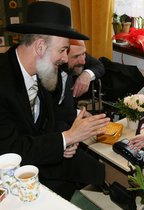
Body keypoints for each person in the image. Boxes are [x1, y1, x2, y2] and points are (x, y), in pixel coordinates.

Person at [0, 1, 110, 200]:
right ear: (40, 46)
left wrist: (68, 140)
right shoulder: (3, 81)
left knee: (94, 170)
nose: (66, 60)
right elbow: (11, 149)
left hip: (39, 151)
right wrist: (67, 137)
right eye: (62, 50)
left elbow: (46, 117)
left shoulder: (42, 70)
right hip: (10, 170)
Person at [52, 39, 105, 131]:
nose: (83, 61)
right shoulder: (46, 74)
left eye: (84, 54)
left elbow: (99, 66)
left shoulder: (79, 54)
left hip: (67, 116)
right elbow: (50, 111)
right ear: (62, 55)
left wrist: (87, 75)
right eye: (76, 56)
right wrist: (79, 114)